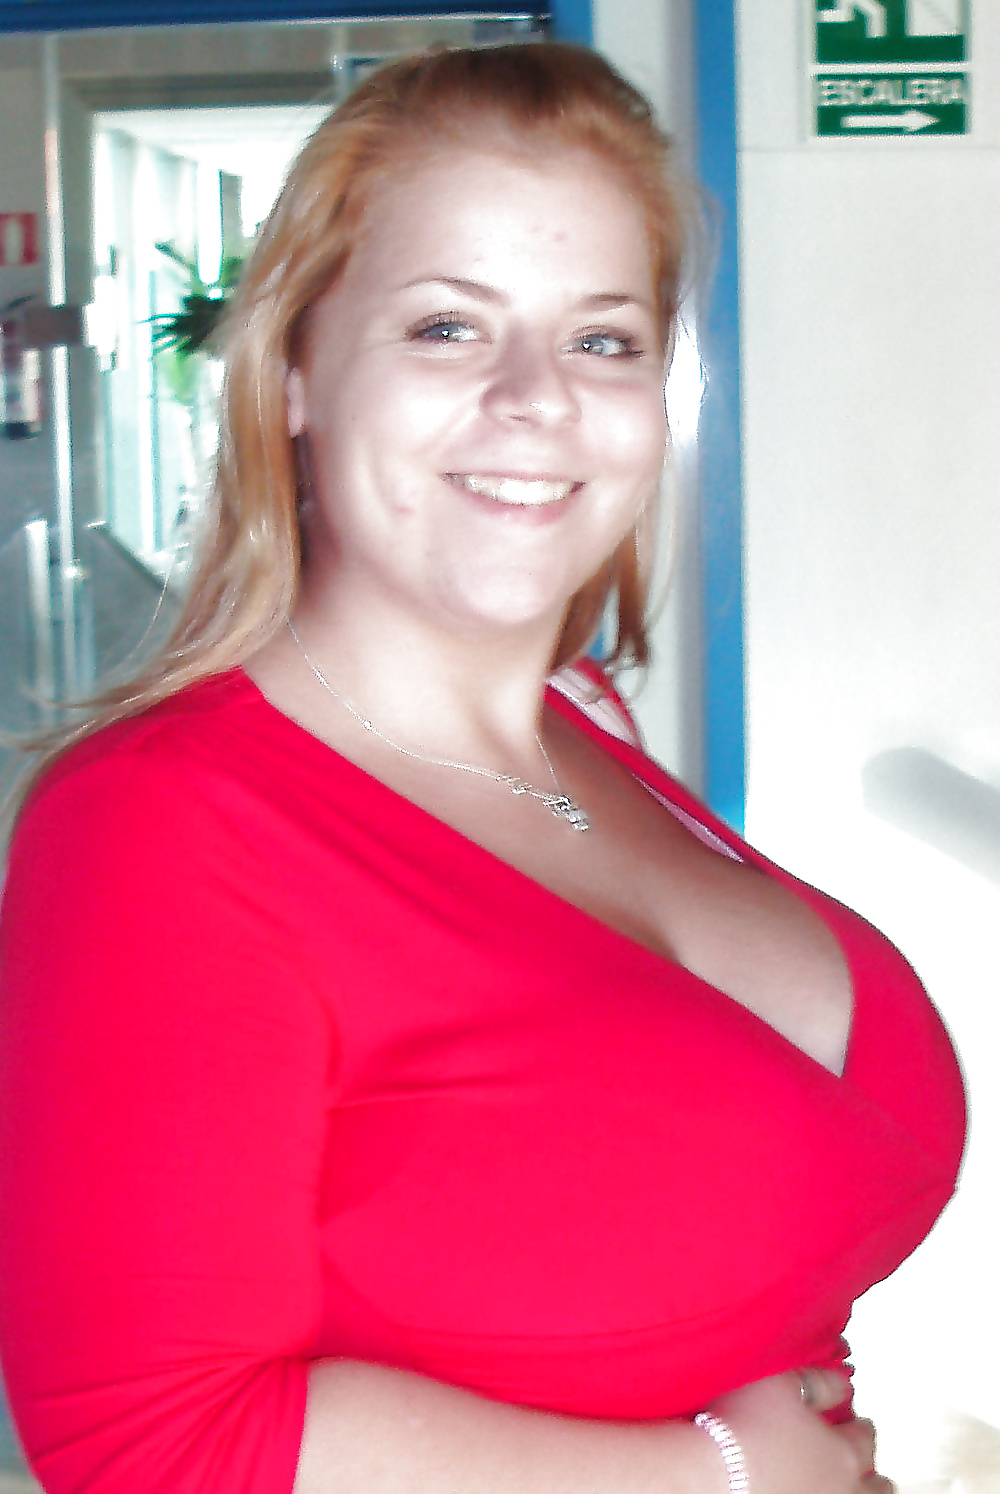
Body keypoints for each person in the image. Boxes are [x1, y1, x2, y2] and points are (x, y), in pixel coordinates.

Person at [0, 42, 965, 1494]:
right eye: (448, 327)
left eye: (603, 339)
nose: (536, 398)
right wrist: (717, 1474)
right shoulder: (160, 823)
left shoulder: (590, 728)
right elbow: (151, 1443)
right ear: (295, 374)